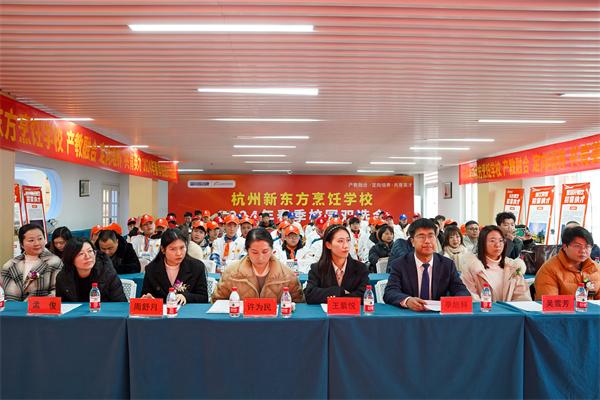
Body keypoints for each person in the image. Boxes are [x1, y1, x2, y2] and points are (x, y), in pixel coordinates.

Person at [383, 218, 470, 311]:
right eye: (421, 237)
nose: (427, 241)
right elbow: (390, 292)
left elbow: (461, 290)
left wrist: (455, 301)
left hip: (438, 315)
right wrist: (407, 300)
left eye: (431, 236)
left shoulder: (447, 264)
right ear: (412, 242)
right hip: (410, 314)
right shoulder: (400, 264)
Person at [212, 228, 304, 302]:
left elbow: (299, 304)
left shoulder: (287, 275)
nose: (260, 258)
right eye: (254, 252)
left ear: (272, 249)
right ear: (247, 251)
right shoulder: (231, 273)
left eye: (265, 252)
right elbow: (217, 300)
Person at [460, 226, 531, 302]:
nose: (497, 245)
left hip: (510, 309)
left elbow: (522, 296)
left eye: (501, 240)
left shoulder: (513, 266)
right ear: (482, 243)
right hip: (482, 309)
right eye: (492, 241)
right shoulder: (471, 266)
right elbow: (471, 297)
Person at [304, 224, 370, 304]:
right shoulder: (317, 268)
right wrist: (339, 291)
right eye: (340, 241)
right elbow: (310, 295)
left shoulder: (360, 268)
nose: (346, 246)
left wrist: (334, 298)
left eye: (348, 240)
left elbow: (365, 295)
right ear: (328, 245)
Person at [141, 229, 208, 304]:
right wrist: (148, 298)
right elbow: (145, 295)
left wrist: (186, 297)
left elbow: (204, 297)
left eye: (182, 248)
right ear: (163, 250)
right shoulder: (151, 269)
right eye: (173, 249)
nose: (179, 253)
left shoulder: (197, 267)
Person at [1, 224, 63, 301]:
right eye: (31, 240)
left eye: (40, 239)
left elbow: (57, 291)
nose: (37, 243)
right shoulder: (10, 265)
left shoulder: (54, 261)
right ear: (22, 244)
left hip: (43, 307)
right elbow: (8, 296)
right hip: (15, 307)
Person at [535, 226, 599, 300]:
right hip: (562, 308)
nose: (583, 251)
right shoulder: (549, 270)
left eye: (587, 246)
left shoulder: (596, 268)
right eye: (577, 246)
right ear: (565, 246)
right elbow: (549, 302)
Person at [56, 237, 127, 302]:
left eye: (90, 251)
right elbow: (62, 306)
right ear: (71, 258)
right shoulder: (62, 277)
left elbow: (121, 303)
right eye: (81, 254)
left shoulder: (107, 273)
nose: (87, 256)